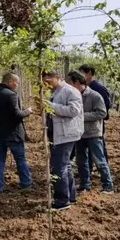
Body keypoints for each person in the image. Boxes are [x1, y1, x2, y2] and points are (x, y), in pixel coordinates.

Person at [67, 70, 114, 193]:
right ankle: (85, 185)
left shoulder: (95, 95)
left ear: (77, 82)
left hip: (93, 133)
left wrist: (81, 116)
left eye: (70, 83)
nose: (69, 86)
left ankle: (108, 187)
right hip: (79, 133)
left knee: (99, 160)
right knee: (81, 161)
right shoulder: (73, 96)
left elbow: (102, 113)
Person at [42, 71, 84, 211]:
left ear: (58, 78)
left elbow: (74, 111)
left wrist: (50, 106)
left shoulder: (70, 91)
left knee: (58, 167)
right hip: (57, 133)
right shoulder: (54, 92)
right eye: (45, 82)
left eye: (49, 81)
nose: (47, 84)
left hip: (66, 134)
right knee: (64, 166)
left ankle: (61, 201)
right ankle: (70, 196)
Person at [0, 73, 33, 194]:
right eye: (16, 82)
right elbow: (17, 114)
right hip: (13, 134)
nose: (17, 85)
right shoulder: (11, 95)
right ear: (10, 82)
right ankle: (26, 183)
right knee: (21, 159)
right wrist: (27, 111)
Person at [78, 65, 112, 171]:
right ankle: (89, 170)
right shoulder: (81, 87)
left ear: (89, 73)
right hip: (84, 123)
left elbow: (107, 105)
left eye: (82, 73)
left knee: (98, 148)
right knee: (86, 150)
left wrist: (95, 115)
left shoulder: (98, 88)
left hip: (96, 123)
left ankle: (103, 170)